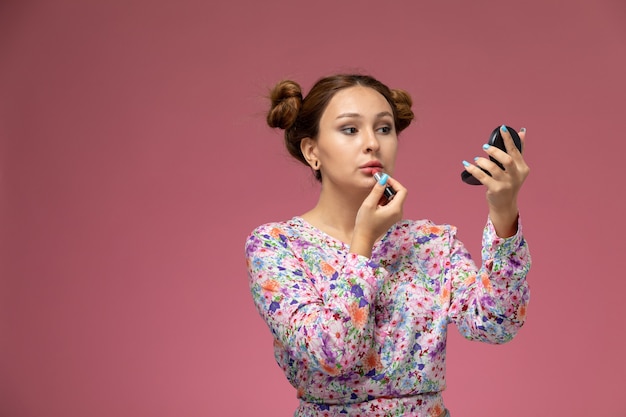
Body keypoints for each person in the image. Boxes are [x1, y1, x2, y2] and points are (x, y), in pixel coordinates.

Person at [244, 73, 531, 417]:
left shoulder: (431, 243)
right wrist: (363, 243)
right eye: (350, 129)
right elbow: (332, 352)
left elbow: (496, 324)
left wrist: (503, 210)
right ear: (312, 151)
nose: (372, 143)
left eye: (384, 128)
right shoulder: (276, 246)